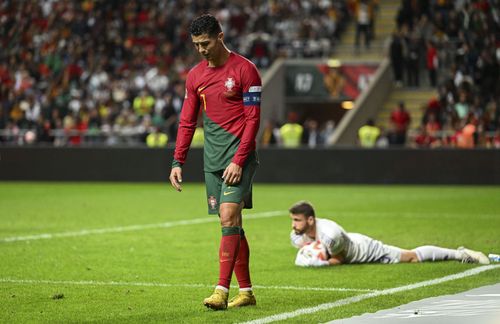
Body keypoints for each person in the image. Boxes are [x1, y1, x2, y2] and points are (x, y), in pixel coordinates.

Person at [169, 14, 261, 310]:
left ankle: (221, 291)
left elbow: (253, 119)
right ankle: (246, 292)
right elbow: (186, 121)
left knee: (227, 217)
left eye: (205, 43)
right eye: (196, 45)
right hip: (212, 162)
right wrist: (177, 161)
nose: (201, 49)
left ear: (220, 36)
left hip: (240, 159)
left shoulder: (246, 70)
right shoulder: (195, 76)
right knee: (233, 225)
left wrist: (238, 159)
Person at [288, 201, 490, 267]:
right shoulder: (296, 234)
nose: (293, 224)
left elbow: (339, 259)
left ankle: (460, 253)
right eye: (293, 219)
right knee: (411, 257)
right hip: (352, 242)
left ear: (311, 220)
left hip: (364, 250)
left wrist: (319, 263)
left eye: (297, 220)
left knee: (411, 257)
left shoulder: (330, 234)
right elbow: (310, 249)